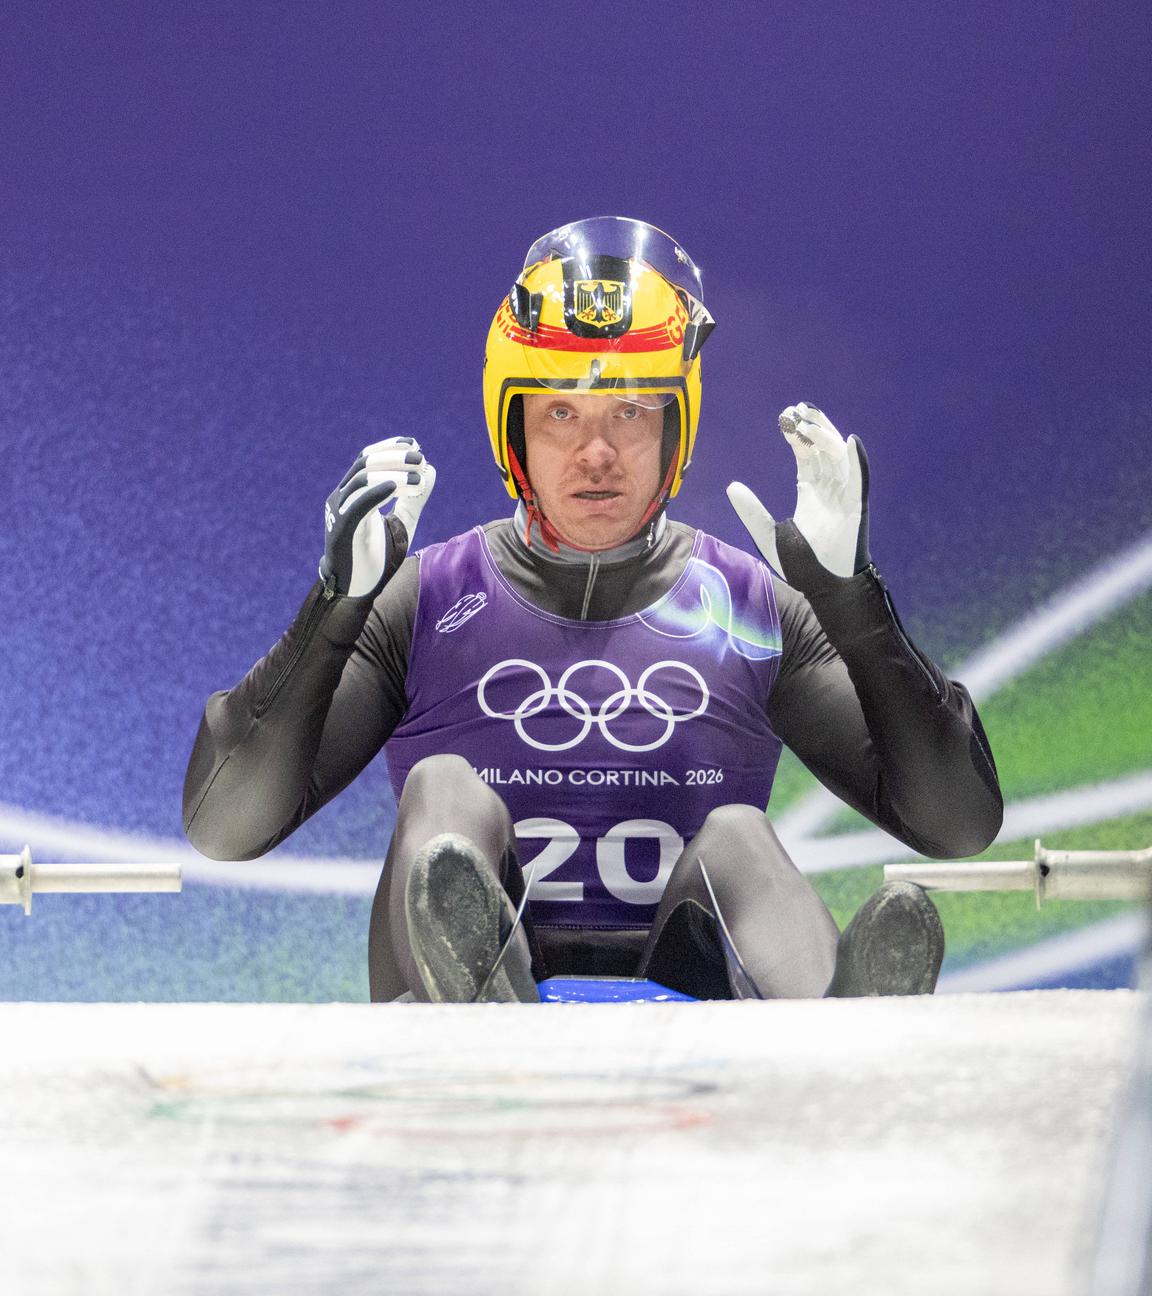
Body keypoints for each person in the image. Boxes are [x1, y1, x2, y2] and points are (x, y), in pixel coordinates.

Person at [183, 216, 1003, 1003]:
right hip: (457, 1037)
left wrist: (851, 598)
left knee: (739, 839)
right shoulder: (421, 601)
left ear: (676, 429)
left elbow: (958, 823)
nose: (597, 452)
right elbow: (225, 826)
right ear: (515, 435)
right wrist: (336, 606)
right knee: (441, 792)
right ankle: (500, 1008)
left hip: (695, 1008)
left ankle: (845, 1037)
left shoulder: (752, 606)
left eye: (632, 413)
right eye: (561, 413)